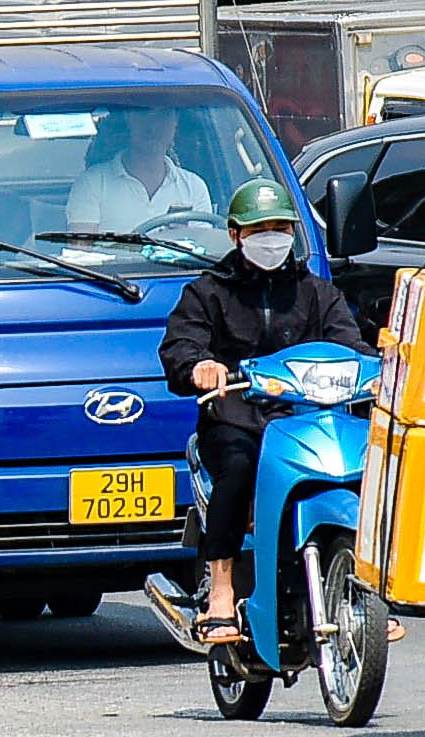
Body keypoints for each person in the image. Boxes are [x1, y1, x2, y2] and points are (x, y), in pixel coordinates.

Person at [157, 178, 366, 644]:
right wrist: (200, 366)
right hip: (236, 421)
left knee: (359, 467)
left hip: (304, 421)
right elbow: (179, 347)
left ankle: (365, 585)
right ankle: (222, 589)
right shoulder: (208, 292)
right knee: (237, 468)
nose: (272, 237)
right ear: (235, 235)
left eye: (280, 227)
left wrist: (380, 365)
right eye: (260, 228)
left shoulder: (316, 293)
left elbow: (350, 344)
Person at [65, 107, 214, 233]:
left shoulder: (194, 187)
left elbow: (205, 251)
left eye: (163, 115)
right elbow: (81, 252)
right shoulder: (92, 183)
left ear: (175, 122)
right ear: (128, 119)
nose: (152, 126)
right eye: (143, 113)